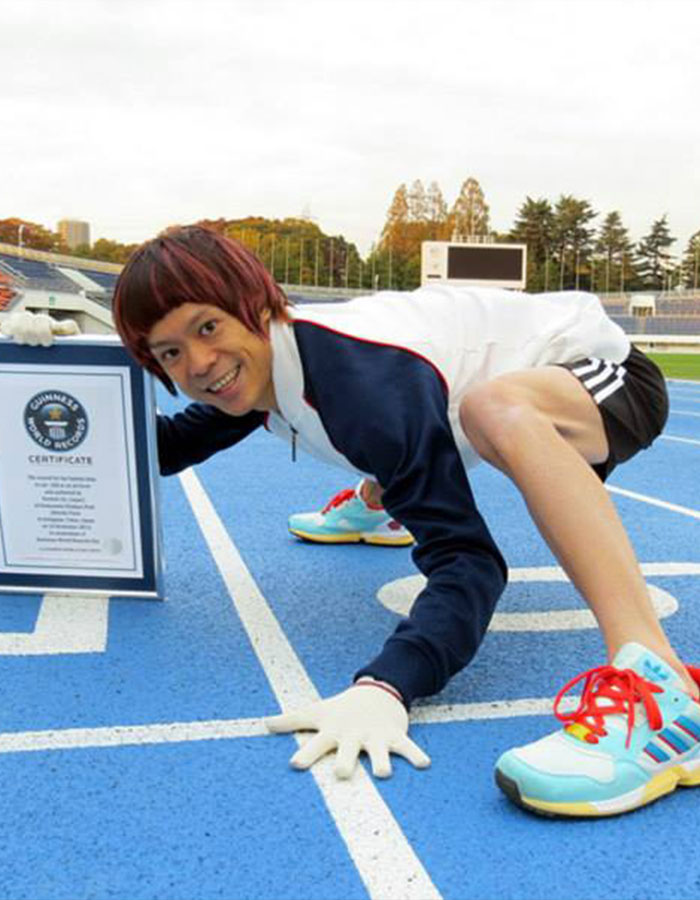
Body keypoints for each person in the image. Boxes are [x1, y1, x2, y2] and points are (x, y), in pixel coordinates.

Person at [4, 225, 698, 819]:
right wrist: (47, 374)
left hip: (597, 377)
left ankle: (661, 684)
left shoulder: (363, 383)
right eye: (170, 353)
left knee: (491, 410)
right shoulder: (258, 373)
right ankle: (382, 498)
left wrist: (387, 683)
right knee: (426, 430)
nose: (200, 364)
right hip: (425, 398)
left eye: (207, 327)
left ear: (254, 307)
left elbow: (470, 565)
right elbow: (160, 447)